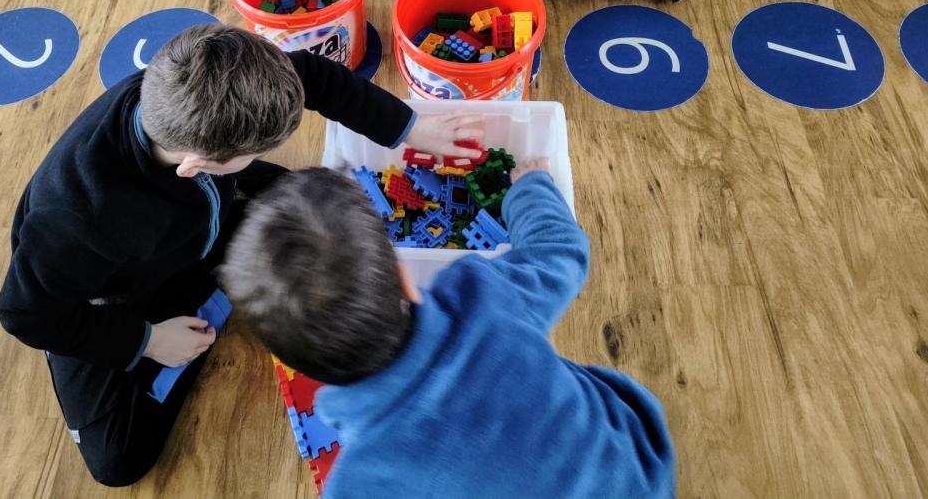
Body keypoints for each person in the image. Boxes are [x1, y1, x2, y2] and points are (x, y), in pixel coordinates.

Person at [0, 23, 481, 486]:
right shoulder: (79, 219)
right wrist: (146, 341)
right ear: (197, 164)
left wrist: (411, 129)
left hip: (198, 221)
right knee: (118, 460)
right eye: (254, 151)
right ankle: (208, 288)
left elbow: (315, 76)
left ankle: (221, 268)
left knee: (318, 215)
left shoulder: (209, 81)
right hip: (107, 293)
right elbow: (25, 315)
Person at [221, 161, 676, 498]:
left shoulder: (355, 483)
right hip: (640, 477)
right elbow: (560, 250)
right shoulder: (484, 296)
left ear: (299, 365)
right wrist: (532, 186)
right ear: (405, 280)